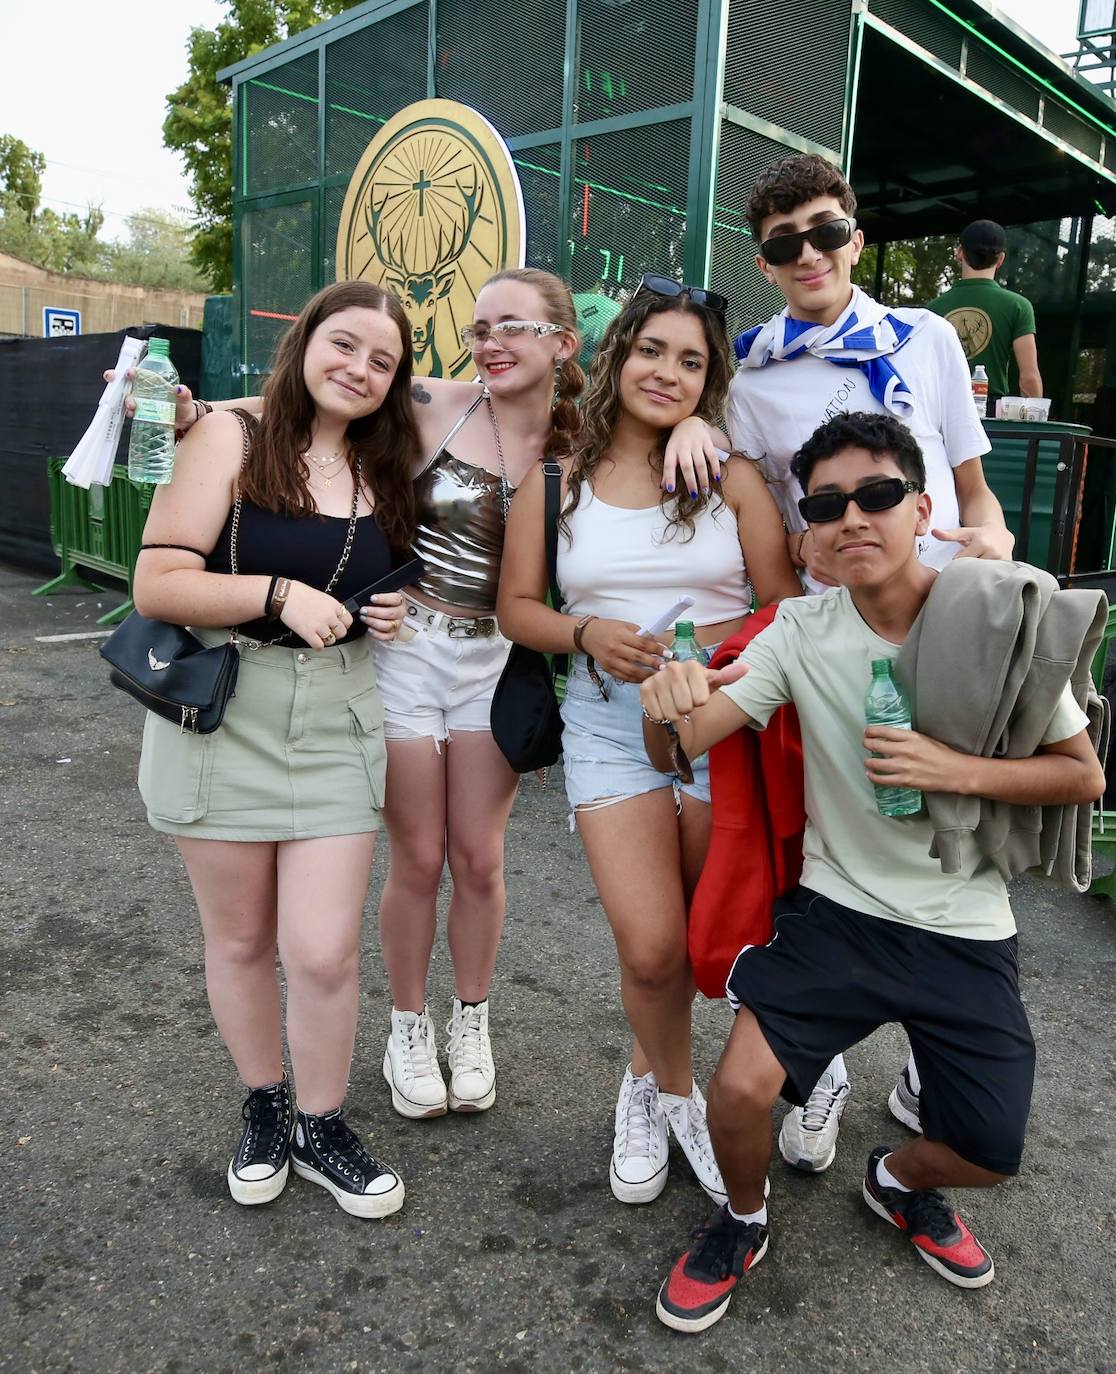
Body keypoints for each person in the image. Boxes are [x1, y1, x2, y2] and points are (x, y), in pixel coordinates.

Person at [159, 272, 720, 1122]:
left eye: (512, 328)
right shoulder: (437, 406)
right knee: (419, 858)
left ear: (562, 343)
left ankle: (472, 1019)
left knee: (481, 859)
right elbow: (305, 398)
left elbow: (664, 418)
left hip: (497, 659)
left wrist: (699, 423)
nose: (489, 343)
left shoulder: (587, 437)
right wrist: (198, 411)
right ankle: (409, 1025)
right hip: (404, 651)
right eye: (478, 328)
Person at [640, 411, 1107, 1331]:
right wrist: (665, 707)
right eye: (825, 504)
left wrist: (952, 770)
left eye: (877, 494)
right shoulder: (797, 631)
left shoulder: (993, 616)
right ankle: (741, 1220)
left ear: (922, 509)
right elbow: (684, 744)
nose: (851, 517)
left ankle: (894, 1179)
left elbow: (1082, 774)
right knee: (736, 1094)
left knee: (988, 1152)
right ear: (808, 529)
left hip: (963, 919)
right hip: (839, 909)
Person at [686, 152, 1016, 1173]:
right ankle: (816, 1064)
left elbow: (971, 485)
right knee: (834, 843)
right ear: (763, 262)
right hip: (839, 641)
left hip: (952, 624)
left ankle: (930, 1052)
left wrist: (994, 543)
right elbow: (761, 507)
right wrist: (698, 435)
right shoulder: (750, 375)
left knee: (961, 833)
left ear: (855, 239)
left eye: (825, 232)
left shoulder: (925, 337)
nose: (808, 255)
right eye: (783, 244)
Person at [497, 281, 800, 1209]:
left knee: (711, 939)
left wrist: (702, 656)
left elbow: (786, 607)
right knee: (651, 948)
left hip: (722, 723)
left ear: (710, 382)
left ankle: (642, 1070)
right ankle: (673, 1098)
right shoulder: (555, 480)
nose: (667, 372)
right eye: (651, 350)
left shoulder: (730, 478)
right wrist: (587, 633)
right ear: (618, 354)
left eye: (690, 361)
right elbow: (516, 608)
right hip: (604, 722)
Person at [131, 280, 419, 1217]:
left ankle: (320, 1123)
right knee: (241, 938)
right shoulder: (231, 437)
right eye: (344, 344)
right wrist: (276, 595)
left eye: (383, 361)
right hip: (223, 709)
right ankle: (266, 1102)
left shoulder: (385, 462)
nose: (360, 369)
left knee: (324, 952)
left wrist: (385, 612)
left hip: (336, 716)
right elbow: (157, 582)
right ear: (304, 342)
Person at [928, 219, 1042, 406]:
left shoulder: (932, 310)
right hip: (991, 411)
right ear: (1001, 259)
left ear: (959, 252)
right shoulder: (1018, 306)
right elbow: (1029, 378)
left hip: (943, 408)